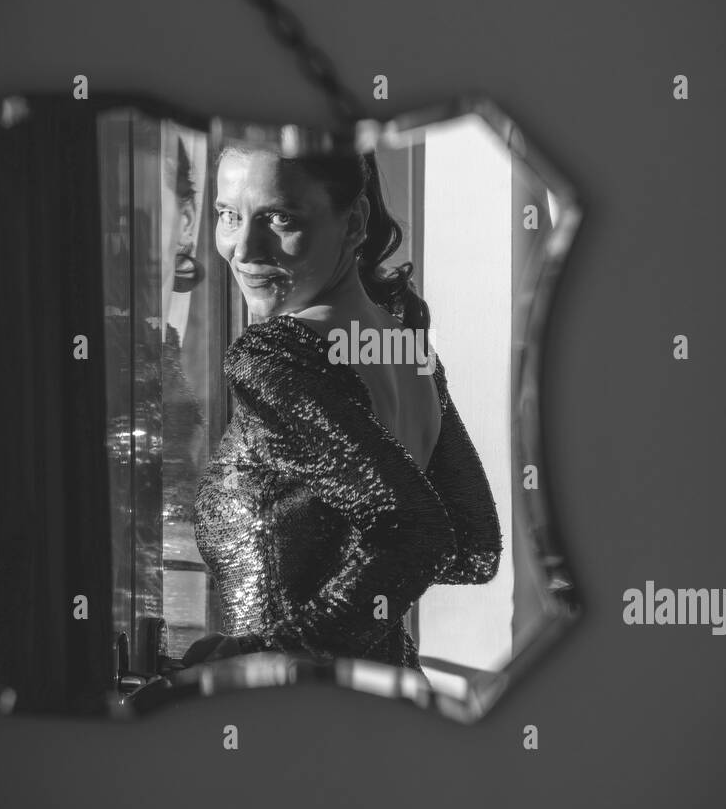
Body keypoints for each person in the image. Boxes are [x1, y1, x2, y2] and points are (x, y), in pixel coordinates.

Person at [191, 140, 502, 672]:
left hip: (299, 721)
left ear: (355, 222)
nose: (243, 249)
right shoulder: (405, 346)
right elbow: (474, 547)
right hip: (387, 702)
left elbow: (421, 536)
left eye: (279, 218)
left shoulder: (277, 355)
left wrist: (266, 656)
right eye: (228, 216)